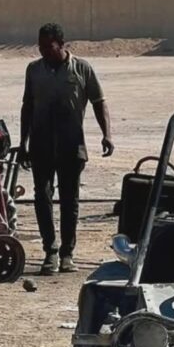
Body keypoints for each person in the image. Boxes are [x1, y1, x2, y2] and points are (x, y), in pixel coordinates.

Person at [20, 23, 114, 274]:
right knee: (42, 197)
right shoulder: (34, 70)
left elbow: (98, 102)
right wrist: (23, 143)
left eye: (48, 47)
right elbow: (27, 107)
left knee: (70, 201)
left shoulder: (82, 68)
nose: (43, 52)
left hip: (71, 146)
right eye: (40, 47)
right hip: (41, 146)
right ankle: (49, 252)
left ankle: (67, 254)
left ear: (62, 45)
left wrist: (107, 135)